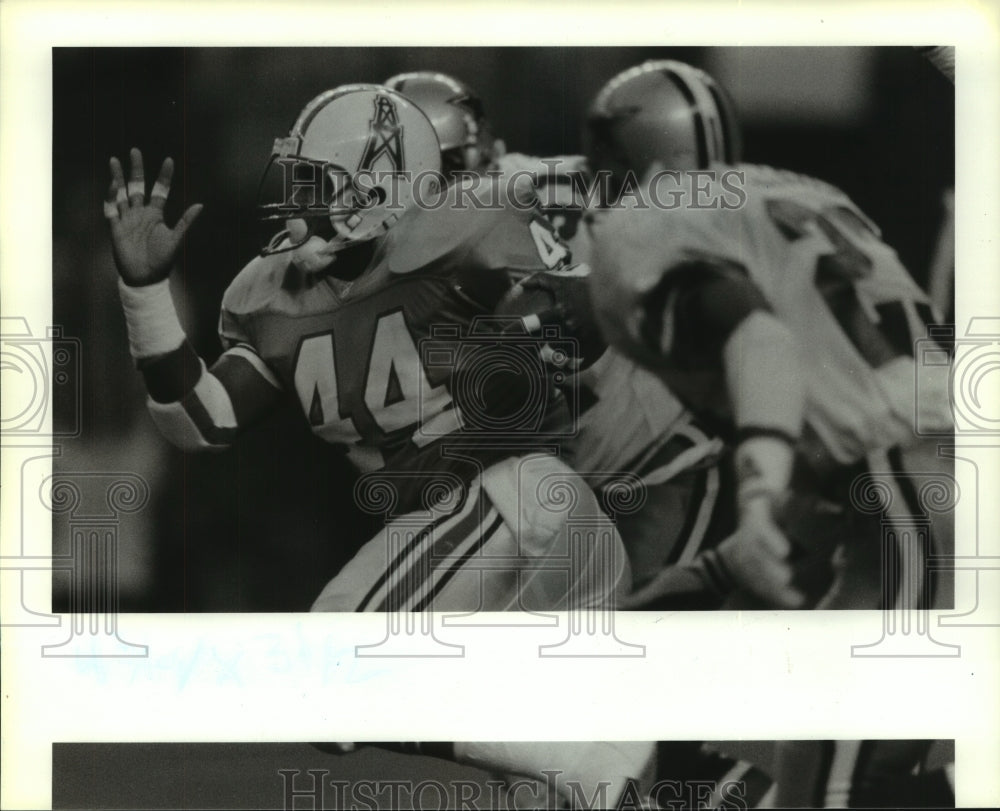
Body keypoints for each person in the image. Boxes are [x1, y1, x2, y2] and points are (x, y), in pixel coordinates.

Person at [582, 58, 955, 808]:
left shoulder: (643, 229)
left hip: (915, 480)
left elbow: (762, 341)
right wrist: (724, 566)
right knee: (829, 776)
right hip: (912, 480)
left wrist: (754, 508)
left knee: (840, 788)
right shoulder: (801, 194)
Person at [105, 83, 629, 614]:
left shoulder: (464, 227)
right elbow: (201, 422)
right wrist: (144, 292)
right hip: (473, 543)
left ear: (376, 188)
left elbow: (587, 304)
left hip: (518, 501)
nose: (294, 204)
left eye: (314, 184)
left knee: (342, 630)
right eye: (296, 182)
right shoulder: (270, 294)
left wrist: (549, 318)